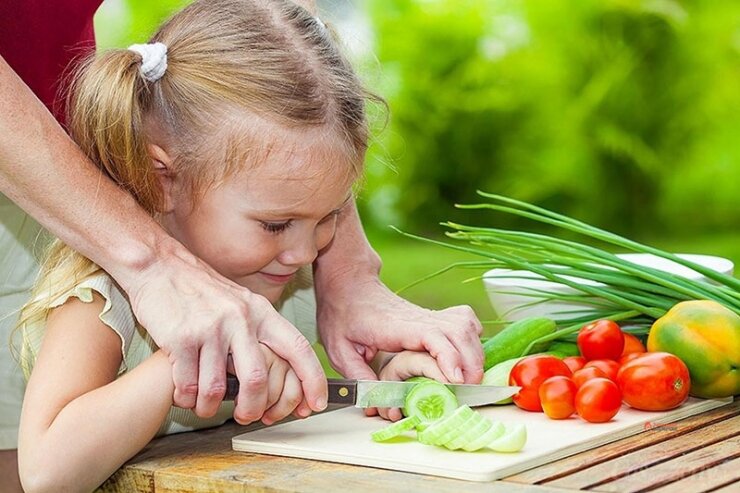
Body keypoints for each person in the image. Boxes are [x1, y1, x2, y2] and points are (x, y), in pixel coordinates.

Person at [12, 1, 482, 491]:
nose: (305, 253)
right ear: (163, 180)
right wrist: (177, 368)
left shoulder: (296, 278)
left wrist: (396, 372)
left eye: (331, 215)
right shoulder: (107, 300)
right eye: (276, 224)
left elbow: (353, 370)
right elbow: (47, 474)